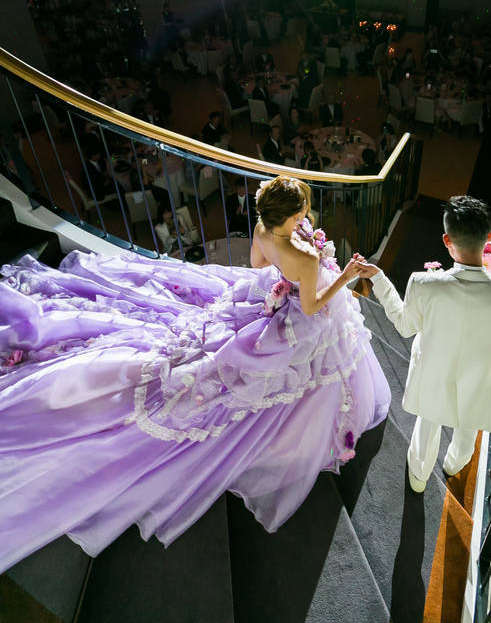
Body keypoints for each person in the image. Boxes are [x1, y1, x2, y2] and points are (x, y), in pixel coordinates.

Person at [0, 177, 390, 572]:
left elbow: (258, 265)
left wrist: (286, 277)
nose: (307, 215)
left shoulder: (263, 230)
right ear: (292, 215)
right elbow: (311, 308)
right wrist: (344, 276)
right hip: (295, 319)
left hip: (270, 295)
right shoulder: (305, 259)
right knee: (298, 376)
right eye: (303, 210)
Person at [355, 195, 491, 492]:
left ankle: (419, 479)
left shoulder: (423, 284)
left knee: (426, 430)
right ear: (488, 239)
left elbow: (404, 325)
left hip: (433, 379)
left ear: (447, 240)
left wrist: (380, 280)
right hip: (478, 388)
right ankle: (452, 467)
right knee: (465, 441)